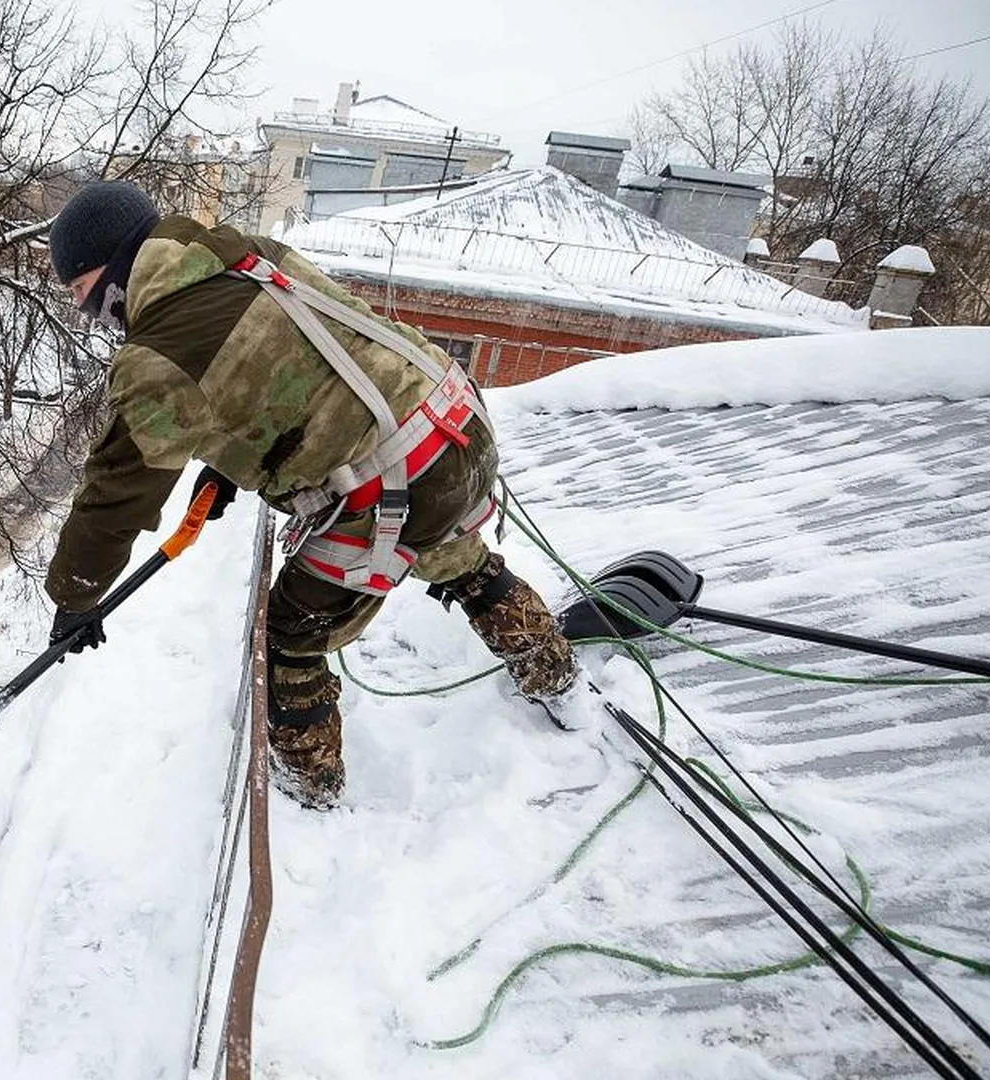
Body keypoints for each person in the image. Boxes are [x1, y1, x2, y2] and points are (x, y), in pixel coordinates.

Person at [40, 181, 585, 810]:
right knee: (456, 556)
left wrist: (75, 597)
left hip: (398, 475)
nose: (88, 315)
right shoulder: (242, 256)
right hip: (451, 424)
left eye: (82, 294)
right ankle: (558, 679)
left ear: (114, 269)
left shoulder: (159, 354)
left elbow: (115, 495)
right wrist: (226, 466)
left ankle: (312, 794)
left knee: (291, 635)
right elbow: (286, 375)